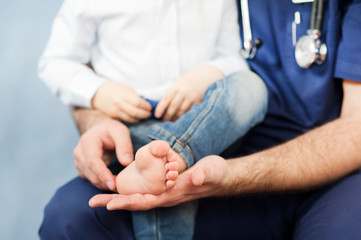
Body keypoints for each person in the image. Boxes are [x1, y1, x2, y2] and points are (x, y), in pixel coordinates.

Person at [39, 0, 361, 239]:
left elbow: (356, 130)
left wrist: (226, 174)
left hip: (324, 175)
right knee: (70, 215)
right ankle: (162, 161)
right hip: (204, 147)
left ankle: (170, 157)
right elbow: (72, 62)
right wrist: (95, 117)